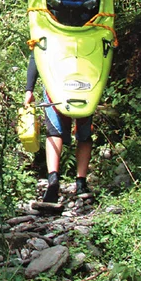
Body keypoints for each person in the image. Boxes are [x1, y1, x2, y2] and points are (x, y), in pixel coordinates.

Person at [25, 54, 93, 206]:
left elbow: (36, 54)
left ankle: (53, 181)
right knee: (84, 133)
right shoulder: (92, 30)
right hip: (86, 84)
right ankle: (81, 184)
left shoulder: (48, 29)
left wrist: (29, 89)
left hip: (56, 83)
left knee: (55, 131)